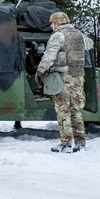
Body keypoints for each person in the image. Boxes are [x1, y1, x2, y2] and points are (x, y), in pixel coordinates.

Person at [36, 11, 93, 152]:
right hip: (78, 76)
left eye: (52, 23)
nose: (51, 26)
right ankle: (80, 143)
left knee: (63, 110)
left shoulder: (58, 36)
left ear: (57, 23)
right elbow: (89, 44)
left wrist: (40, 71)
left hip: (64, 77)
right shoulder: (79, 35)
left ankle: (66, 144)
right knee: (76, 110)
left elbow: (49, 56)